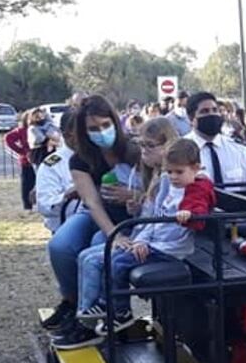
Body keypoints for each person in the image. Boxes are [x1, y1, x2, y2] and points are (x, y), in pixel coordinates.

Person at [53, 138, 215, 349]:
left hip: (169, 249)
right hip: (154, 241)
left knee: (116, 262)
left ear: (195, 168)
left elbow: (198, 213)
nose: (173, 176)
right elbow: (154, 219)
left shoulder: (195, 188)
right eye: (169, 172)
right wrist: (140, 240)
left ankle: (119, 311)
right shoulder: (169, 184)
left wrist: (190, 214)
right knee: (91, 256)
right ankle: (90, 315)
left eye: (178, 172)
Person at [43, 95, 143, 332]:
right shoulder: (81, 160)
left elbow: (158, 189)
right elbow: (92, 202)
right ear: (83, 132)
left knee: (97, 247)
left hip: (134, 214)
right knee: (61, 245)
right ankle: (75, 304)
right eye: (93, 129)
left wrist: (133, 195)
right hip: (97, 212)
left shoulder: (135, 149)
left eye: (106, 125)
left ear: (115, 122)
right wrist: (114, 235)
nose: (101, 132)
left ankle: (110, 312)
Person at [184, 91, 246, 192]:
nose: (212, 115)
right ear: (191, 118)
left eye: (215, 110)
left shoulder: (239, 150)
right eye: (204, 111)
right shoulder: (181, 151)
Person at [36, 109, 80, 233]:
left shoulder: (101, 156)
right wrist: (67, 196)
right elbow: (45, 206)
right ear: (67, 135)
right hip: (65, 229)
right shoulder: (52, 164)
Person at [4, 112, 34, 210]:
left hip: (40, 160)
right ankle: (27, 205)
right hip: (27, 162)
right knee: (27, 184)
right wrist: (21, 151)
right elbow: (8, 138)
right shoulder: (22, 130)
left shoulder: (41, 129)